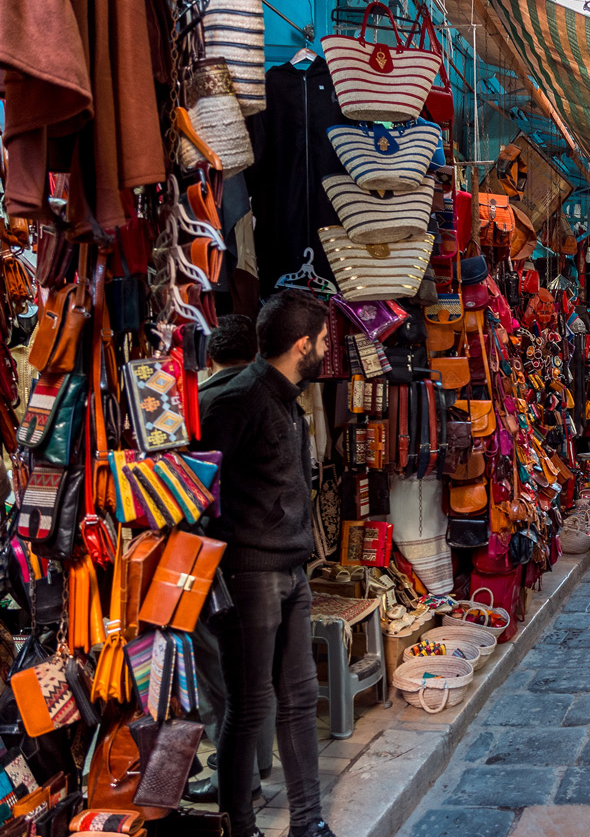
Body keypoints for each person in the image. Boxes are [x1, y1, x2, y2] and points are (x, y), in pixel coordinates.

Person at [200, 289, 336, 837]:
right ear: (302, 345)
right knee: (251, 705)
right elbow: (196, 483)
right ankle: (241, 826)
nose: (328, 349)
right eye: (324, 340)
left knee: (299, 700)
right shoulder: (239, 400)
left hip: (290, 570)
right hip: (250, 574)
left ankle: (308, 823)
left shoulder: (284, 398)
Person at [187, 315, 276, 804]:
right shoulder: (280, 400)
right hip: (271, 557)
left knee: (220, 672)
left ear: (211, 358)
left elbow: (191, 493)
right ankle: (259, 762)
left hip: (221, 559)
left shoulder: (204, 407)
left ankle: (233, 774)